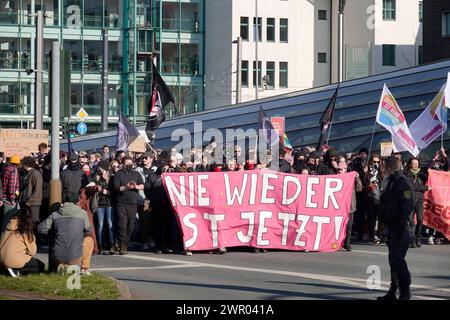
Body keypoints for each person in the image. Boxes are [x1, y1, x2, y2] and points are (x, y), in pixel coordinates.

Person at [377, 156, 414, 300]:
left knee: (398, 259)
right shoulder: (391, 182)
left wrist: (399, 227)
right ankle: (393, 291)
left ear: (389, 168)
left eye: (384, 167)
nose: (382, 169)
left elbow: (407, 206)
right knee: (393, 260)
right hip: (392, 227)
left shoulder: (403, 182)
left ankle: (405, 291)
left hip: (402, 228)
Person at [38, 192, 94, 276]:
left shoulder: (55, 214)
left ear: (63, 201)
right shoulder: (82, 213)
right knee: (90, 240)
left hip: (57, 256)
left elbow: (40, 228)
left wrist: (52, 231)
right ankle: (84, 269)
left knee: (55, 238)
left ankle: (63, 265)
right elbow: (89, 231)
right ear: (77, 201)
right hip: (76, 257)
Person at [113, 156, 144, 255]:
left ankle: (124, 242)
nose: (129, 165)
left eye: (131, 163)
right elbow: (117, 188)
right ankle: (123, 246)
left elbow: (143, 185)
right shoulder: (119, 174)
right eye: (127, 164)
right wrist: (126, 187)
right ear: (123, 164)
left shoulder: (136, 174)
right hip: (121, 203)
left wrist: (135, 186)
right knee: (122, 225)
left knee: (131, 226)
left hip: (133, 203)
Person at [0, 209, 45, 277]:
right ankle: (15, 270)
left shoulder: (8, 228)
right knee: (40, 265)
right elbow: (33, 251)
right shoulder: (25, 231)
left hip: (1, 259)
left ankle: (8, 269)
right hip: (13, 260)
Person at [404, 157, 429, 248]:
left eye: (417, 163)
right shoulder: (406, 174)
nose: (416, 165)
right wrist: (425, 188)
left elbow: (428, 168)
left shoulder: (421, 174)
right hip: (410, 200)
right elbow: (412, 187)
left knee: (420, 219)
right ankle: (412, 240)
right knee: (410, 221)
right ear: (410, 164)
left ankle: (418, 238)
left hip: (419, 201)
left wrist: (433, 160)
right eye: (414, 163)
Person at [338, 162, 363, 251]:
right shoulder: (335, 178)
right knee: (338, 226)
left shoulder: (350, 179)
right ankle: (338, 243)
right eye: (338, 169)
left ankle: (347, 243)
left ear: (345, 169)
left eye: (341, 169)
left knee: (348, 226)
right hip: (338, 207)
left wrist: (357, 178)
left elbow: (359, 189)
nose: (339, 171)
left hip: (349, 207)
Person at [94, 160, 115, 255]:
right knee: (100, 225)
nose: (100, 170)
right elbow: (92, 190)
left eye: (101, 168)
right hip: (100, 204)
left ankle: (112, 245)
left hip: (110, 204)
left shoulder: (111, 178)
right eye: (99, 168)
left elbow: (115, 192)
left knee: (110, 224)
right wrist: (97, 184)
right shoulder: (96, 177)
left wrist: (108, 192)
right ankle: (100, 245)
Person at [362, 155, 383, 244]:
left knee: (381, 218)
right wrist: (365, 173)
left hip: (380, 198)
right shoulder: (367, 172)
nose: (376, 163)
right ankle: (372, 235)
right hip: (370, 198)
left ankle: (379, 235)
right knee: (371, 218)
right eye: (374, 162)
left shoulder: (381, 172)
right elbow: (363, 184)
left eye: (377, 162)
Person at [18, 157, 43, 228]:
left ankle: (35, 237)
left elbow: (37, 190)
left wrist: (30, 201)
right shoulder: (25, 172)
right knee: (25, 221)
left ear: (26, 164)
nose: (21, 165)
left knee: (34, 220)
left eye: (22, 163)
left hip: (33, 202)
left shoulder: (36, 174)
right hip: (26, 201)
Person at [1, 155, 21, 234]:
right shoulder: (14, 170)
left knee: (5, 218)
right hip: (9, 199)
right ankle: (4, 238)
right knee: (8, 219)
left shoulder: (5, 168)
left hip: (3, 196)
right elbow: (12, 186)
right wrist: (12, 199)